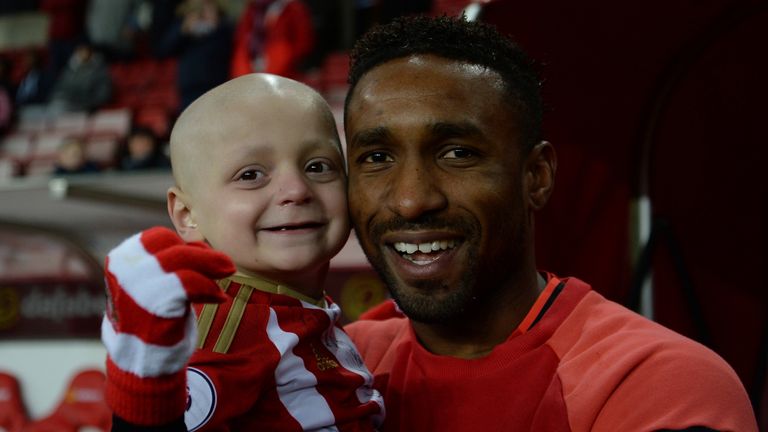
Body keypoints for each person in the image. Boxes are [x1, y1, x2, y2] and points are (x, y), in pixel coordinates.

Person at [340, 15, 759, 431]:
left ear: (536, 177)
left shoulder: (660, 382)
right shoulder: (333, 362)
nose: (412, 200)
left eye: (457, 154)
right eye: (376, 158)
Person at [101, 73, 384, 430]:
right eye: (251, 175)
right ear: (188, 215)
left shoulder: (292, 306)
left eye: (318, 166)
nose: (296, 189)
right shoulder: (218, 332)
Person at [154, 0, 233, 112]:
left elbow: (227, 48)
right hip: (189, 89)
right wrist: (183, 30)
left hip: (216, 88)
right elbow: (163, 50)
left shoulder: (224, 25)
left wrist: (215, 27)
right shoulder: (183, 22)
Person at [230, 0, 315, 80]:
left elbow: (303, 43)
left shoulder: (292, 7)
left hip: (282, 75)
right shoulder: (253, 9)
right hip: (250, 70)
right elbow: (241, 38)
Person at [47, 39, 112, 114]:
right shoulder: (70, 69)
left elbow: (103, 94)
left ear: (91, 52)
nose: (82, 53)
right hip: (64, 104)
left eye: (85, 50)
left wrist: (88, 104)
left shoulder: (100, 70)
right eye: (79, 50)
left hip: (84, 107)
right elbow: (59, 88)